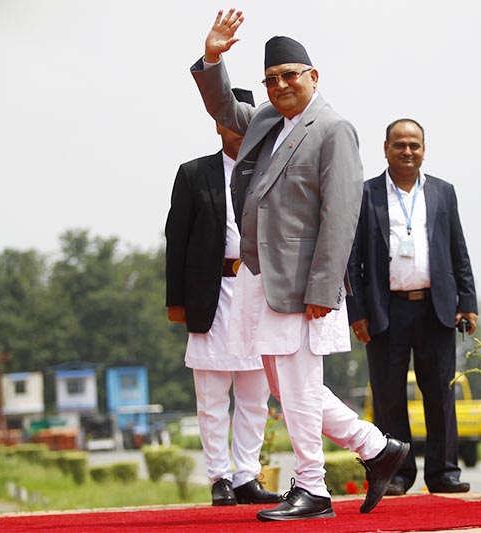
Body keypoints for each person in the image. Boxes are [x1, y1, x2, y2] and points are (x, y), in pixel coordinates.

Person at [189, 9, 409, 522]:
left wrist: (324, 287)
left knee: (297, 384)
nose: (281, 85)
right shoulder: (269, 119)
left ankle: (313, 488)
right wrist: (213, 59)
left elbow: (341, 215)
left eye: (291, 74)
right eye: (271, 79)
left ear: (314, 76)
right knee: (287, 386)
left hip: (304, 282)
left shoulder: (333, 129)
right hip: (262, 278)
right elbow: (224, 107)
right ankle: (375, 447)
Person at [165, 88, 282, 507]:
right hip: (209, 293)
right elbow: (176, 240)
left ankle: (247, 474)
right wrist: (175, 298)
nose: (238, 129)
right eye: (230, 120)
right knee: (212, 396)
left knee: (255, 394)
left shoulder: (272, 170)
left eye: (247, 121)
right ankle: (220, 477)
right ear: (218, 123)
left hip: (257, 290)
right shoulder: (195, 173)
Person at [346, 118, 477, 496]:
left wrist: (466, 300)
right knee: (388, 396)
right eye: (399, 145)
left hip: (435, 307)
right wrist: (357, 312)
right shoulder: (365, 193)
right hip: (385, 310)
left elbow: (458, 249)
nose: (407, 152)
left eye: (414, 145)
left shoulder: (442, 192)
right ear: (385, 149)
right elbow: (351, 260)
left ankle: (443, 473)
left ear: (424, 149)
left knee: (439, 391)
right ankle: (399, 474)